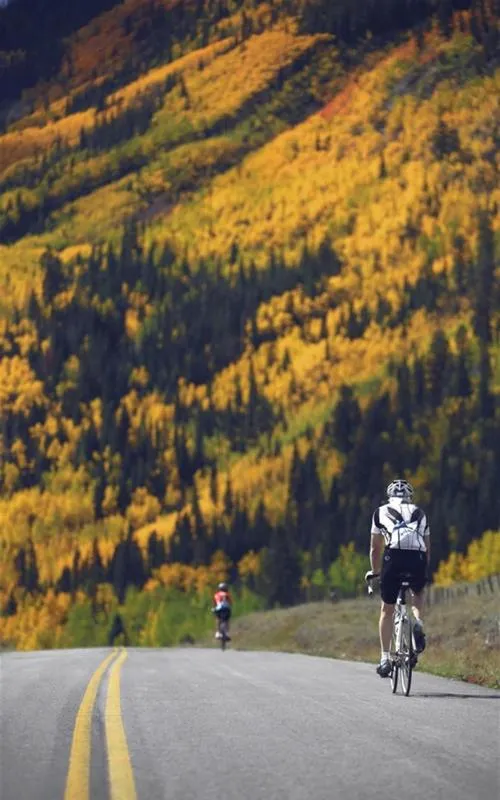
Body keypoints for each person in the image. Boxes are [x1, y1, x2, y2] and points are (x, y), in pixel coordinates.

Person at [365, 479, 430, 677]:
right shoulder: (420, 512)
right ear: (410, 497)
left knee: (387, 609)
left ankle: (385, 658)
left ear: (389, 496)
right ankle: (418, 623)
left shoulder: (380, 512)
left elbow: (375, 548)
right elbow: (427, 548)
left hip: (393, 557)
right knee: (417, 593)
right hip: (417, 557)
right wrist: (422, 570)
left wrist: (375, 571)